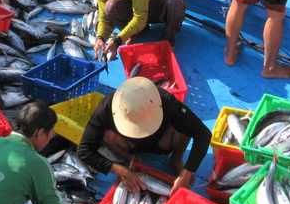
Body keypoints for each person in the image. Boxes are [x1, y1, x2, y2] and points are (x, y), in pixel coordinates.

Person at [77, 77, 211, 196]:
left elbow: (203, 134)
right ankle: (130, 160)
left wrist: (186, 173)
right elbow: (84, 150)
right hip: (130, 146)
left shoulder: (167, 102)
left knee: (184, 126)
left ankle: (176, 160)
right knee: (107, 135)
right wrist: (120, 170)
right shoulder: (105, 108)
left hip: (162, 142)